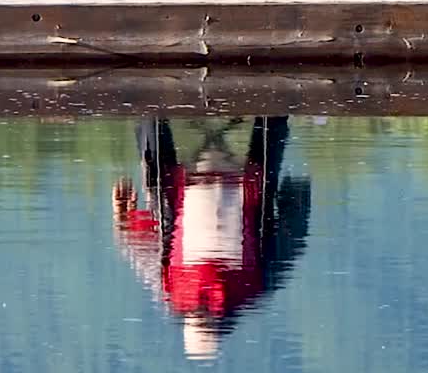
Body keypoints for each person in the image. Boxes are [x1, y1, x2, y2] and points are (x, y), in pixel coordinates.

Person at [112, 116, 312, 359]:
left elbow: (293, 232)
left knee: (262, 212)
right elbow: (140, 246)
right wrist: (124, 219)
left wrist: (299, 190)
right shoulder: (170, 290)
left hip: (248, 176)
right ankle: (151, 114)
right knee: (163, 203)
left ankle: (274, 114)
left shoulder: (255, 289)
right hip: (186, 182)